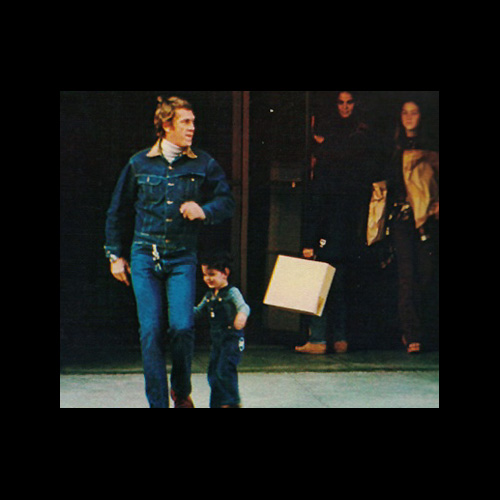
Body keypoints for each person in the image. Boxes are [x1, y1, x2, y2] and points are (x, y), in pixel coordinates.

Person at [104, 96, 235, 408]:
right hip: (144, 255)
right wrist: (114, 256)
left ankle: (181, 389)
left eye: (193, 122)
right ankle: (158, 404)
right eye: (185, 122)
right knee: (150, 331)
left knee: (182, 327)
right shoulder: (139, 163)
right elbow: (117, 211)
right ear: (166, 126)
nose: (192, 128)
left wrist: (204, 211)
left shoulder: (203, 163)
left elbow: (227, 201)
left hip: (182, 256)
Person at [297, 91, 383, 355]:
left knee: (321, 281)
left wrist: (310, 241)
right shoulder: (357, 149)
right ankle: (340, 338)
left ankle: (318, 338)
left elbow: (317, 203)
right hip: (349, 228)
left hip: (329, 230)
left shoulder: (327, 162)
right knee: (341, 282)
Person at [387, 99, 439, 354]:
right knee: (407, 276)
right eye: (404, 112)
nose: (409, 117)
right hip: (403, 219)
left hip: (427, 219)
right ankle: (412, 334)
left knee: (426, 275)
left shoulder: (431, 147)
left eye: (414, 112)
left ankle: (424, 331)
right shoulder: (393, 148)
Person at [194, 253, 250, 408]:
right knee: (213, 373)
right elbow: (198, 312)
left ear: (225, 273)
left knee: (224, 370)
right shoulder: (209, 296)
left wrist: (241, 316)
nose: (208, 279)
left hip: (231, 338)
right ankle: (217, 403)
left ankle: (231, 402)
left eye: (212, 274)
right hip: (217, 341)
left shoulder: (232, 292)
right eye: (205, 275)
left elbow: (243, 306)